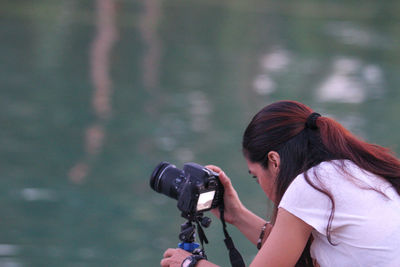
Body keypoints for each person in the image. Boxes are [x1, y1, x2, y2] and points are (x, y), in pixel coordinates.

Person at [160, 100, 400, 267]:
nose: (260, 185)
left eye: (256, 176)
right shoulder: (351, 171)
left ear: (274, 161)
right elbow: (295, 258)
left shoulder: (311, 185)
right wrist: (237, 214)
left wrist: (190, 263)